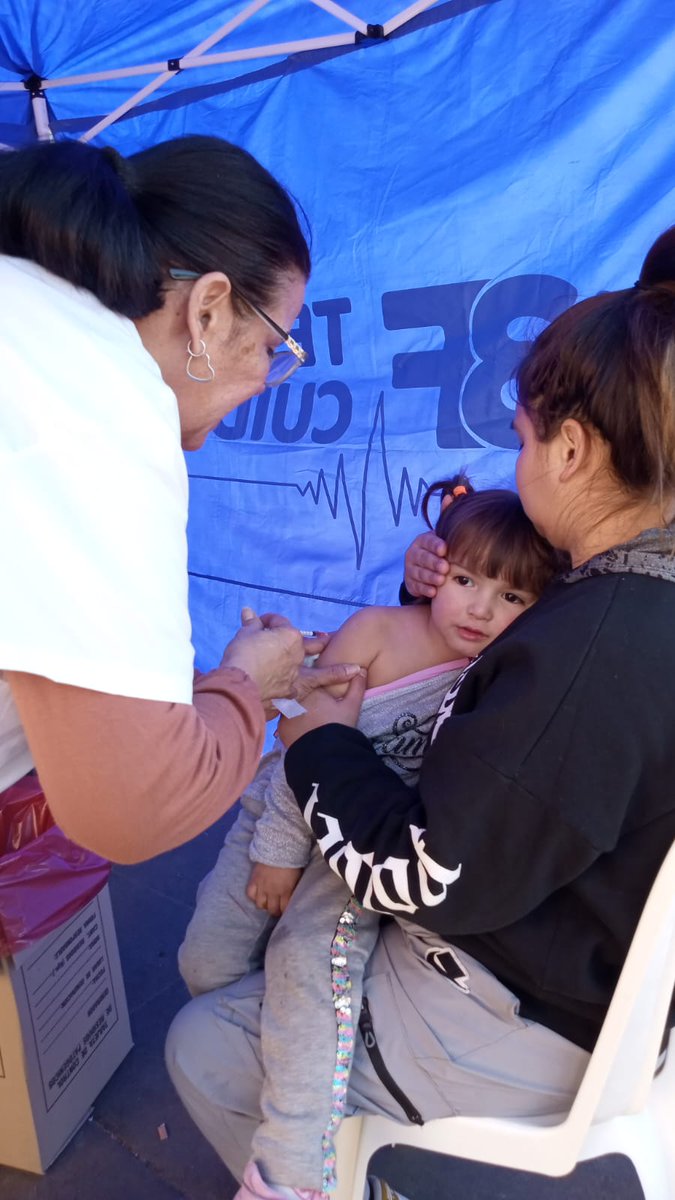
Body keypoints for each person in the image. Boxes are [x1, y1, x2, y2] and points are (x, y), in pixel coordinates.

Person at [166, 277, 675, 1200]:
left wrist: (319, 742)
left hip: (519, 1013)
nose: (516, 464)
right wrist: (423, 599)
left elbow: (422, 877)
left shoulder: (596, 643)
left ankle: (316, 1178)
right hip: (588, 974)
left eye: (522, 441)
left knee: (205, 1043)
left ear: (570, 449)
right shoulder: (628, 596)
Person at [174, 474, 559, 1198]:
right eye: (467, 581)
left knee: (306, 959)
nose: (481, 609)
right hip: (284, 810)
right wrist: (277, 852)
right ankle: (284, 1062)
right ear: (435, 567)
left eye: (511, 597)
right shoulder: (377, 633)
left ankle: (296, 1165)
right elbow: (304, 737)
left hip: (362, 852)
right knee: (207, 960)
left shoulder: (493, 678)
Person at [0, 135, 357, 864]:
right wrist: (244, 690)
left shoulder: (37, 330)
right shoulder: (103, 406)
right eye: (274, 349)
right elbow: (133, 806)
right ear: (209, 310)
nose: (263, 382)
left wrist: (204, 691)